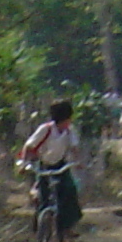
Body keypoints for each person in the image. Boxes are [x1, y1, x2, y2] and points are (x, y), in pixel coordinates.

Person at [18, 99, 85, 234]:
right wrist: (24, 163)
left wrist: (78, 162)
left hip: (61, 166)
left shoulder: (69, 132)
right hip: (44, 166)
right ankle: (43, 232)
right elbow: (29, 145)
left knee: (69, 191)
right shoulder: (46, 129)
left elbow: (74, 148)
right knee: (44, 198)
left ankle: (67, 227)